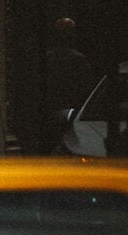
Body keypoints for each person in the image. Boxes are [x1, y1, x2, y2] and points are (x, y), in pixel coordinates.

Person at [43, 17, 94, 153]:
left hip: (54, 112)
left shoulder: (48, 59)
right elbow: (85, 89)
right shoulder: (78, 60)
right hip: (68, 113)